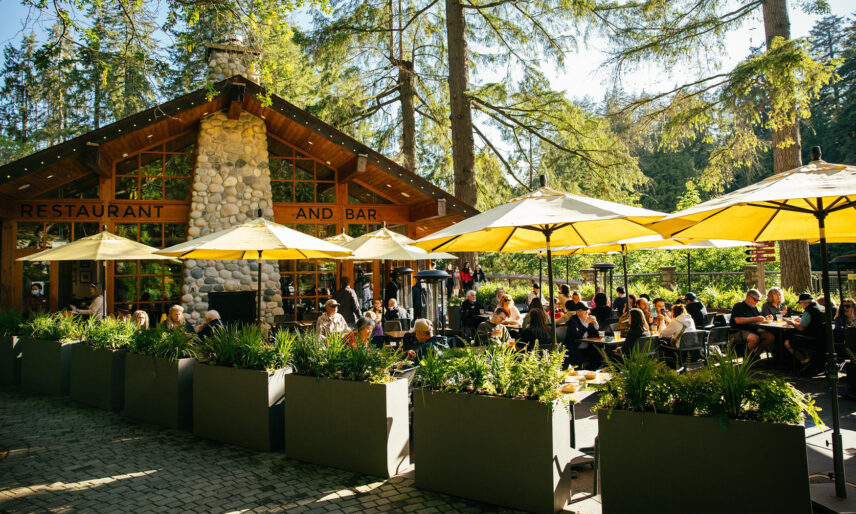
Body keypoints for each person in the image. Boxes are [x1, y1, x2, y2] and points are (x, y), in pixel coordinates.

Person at [784, 293, 827, 373]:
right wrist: (801, 320)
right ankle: (809, 360)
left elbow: (801, 327)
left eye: (800, 303)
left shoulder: (808, 311)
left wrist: (791, 323)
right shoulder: (821, 308)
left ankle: (805, 361)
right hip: (823, 338)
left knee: (787, 343)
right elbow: (815, 321)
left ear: (804, 302)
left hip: (812, 340)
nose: (801, 305)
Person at [729, 289, 775, 357]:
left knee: (770, 337)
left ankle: (755, 356)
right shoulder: (739, 305)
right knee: (754, 338)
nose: (756, 302)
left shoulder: (753, 307)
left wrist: (766, 317)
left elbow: (759, 318)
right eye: (755, 300)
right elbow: (738, 320)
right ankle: (746, 358)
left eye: (758, 301)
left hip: (752, 329)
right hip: (738, 330)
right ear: (749, 297)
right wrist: (755, 318)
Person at [564, 302, 600, 368]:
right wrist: (585, 324)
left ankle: (592, 372)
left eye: (587, 311)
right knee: (578, 357)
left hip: (587, 347)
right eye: (585, 311)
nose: (587, 312)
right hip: (575, 347)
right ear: (578, 312)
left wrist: (595, 324)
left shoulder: (589, 319)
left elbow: (595, 335)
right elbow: (576, 336)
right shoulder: (572, 321)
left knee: (598, 354)